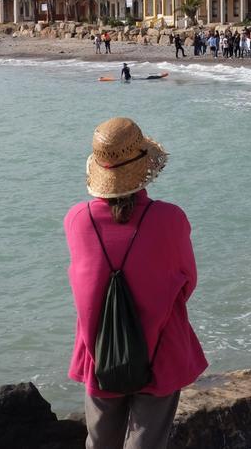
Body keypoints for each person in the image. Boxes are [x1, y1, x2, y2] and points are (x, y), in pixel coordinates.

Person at [64, 118, 207, 449]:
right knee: (147, 442)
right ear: (143, 169)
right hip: (161, 351)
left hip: (100, 352)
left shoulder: (76, 220)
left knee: (100, 443)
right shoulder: (171, 218)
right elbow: (188, 284)